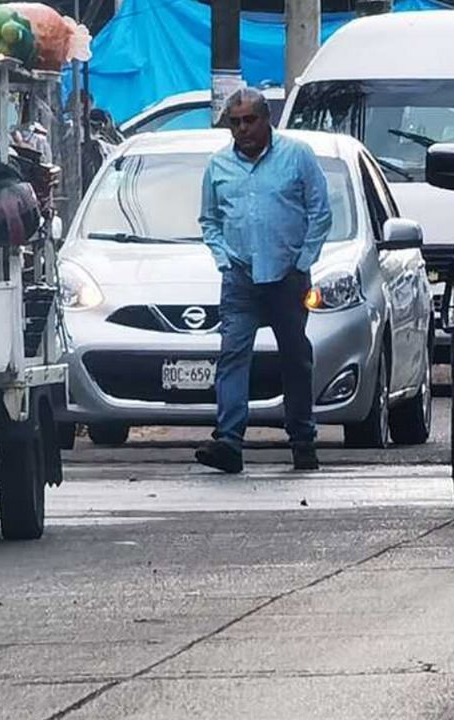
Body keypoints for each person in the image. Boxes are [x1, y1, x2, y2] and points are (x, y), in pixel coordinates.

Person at [196, 87, 332, 474]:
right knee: (233, 355)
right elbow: (209, 220)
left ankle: (302, 440)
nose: (242, 129)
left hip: (287, 277)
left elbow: (320, 211)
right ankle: (229, 441)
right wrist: (223, 259)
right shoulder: (218, 166)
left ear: (266, 119)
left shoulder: (297, 156)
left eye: (249, 120)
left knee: (295, 357)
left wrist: (303, 260)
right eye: (235, 123)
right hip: (240, 277)